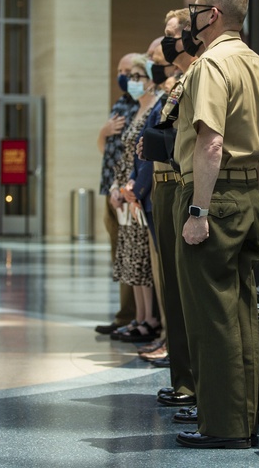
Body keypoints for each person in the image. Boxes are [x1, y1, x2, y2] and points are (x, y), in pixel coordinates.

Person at [173, 0, 259, 449]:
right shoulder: (256, 63)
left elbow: (210, 142)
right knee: (240, 311)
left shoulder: (211, 65)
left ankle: (221, 426)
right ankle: (242, 418)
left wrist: (198, 210)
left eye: (196, 9)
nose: (191, 15)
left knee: (211, 316)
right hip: (246, 198)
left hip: (211, 197)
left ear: (213, 14)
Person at [145, 9, 202, 409]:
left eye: (170, 35)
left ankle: (192, 382)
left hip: (183, 185)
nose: (165, 43)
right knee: (172, 287)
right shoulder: (178, 80)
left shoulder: (198, 74)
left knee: (185, 292)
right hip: (164, 186)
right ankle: (183, 378)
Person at [109, 54, 164, 342]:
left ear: (151, 80)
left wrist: (134, 188)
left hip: (141, 191)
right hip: (127, 190)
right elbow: (125, 154)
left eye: (137, 77)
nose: (131, 83)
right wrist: (118, 187)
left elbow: (146, 156)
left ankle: (150, 320)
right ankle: (141, 317)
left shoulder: (155, 107)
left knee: (143, 260)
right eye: (129, 77)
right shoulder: (135, 110)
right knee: (133, 259)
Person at [95, 54, 139, 335]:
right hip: (109, 188)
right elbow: (105, 147)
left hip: (126, 191)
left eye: (129, 72)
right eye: (119, 70)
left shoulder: (143, 106)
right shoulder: (121, 103)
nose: (123, 76)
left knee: (130, 255)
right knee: (119, 257)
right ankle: (124, 315)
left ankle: (130, 317)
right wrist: (104, 131)